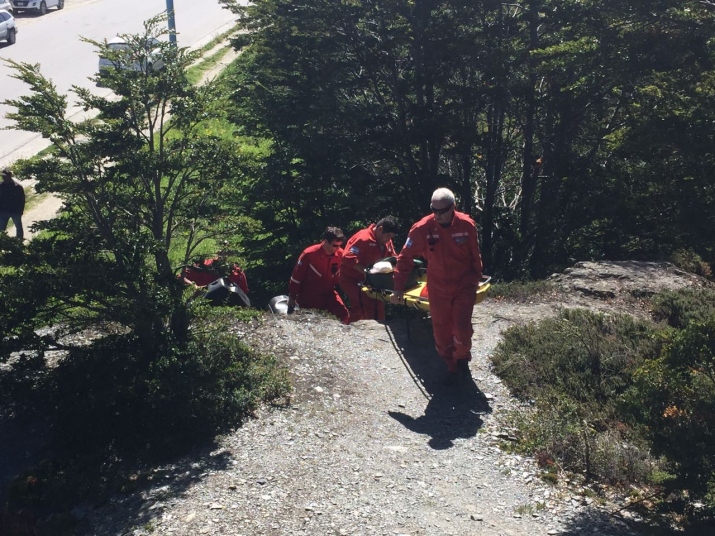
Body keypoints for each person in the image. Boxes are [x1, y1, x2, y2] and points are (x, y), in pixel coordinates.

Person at [391, 188, 483, 375]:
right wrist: (398, 287)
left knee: (462, 328)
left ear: (453, 207)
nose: (438, 215)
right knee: (441, 331)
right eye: (434, 210)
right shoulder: (422, 229)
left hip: (463, 284)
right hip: (438, 286)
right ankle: (450, 366)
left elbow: (475, 255)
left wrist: (475, 279)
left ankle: (462, 359)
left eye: (443, 211)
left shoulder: (467, 225)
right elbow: (405, 257)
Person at [340, 216, 398, 322]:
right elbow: (347, 258)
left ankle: (379, 332)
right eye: (388, 236)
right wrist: (367, 272)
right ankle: (353, 331)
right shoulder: (363, 238)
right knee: (364, 304)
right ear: (380, 229)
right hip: (352, 280)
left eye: (391, 237)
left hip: (371, 281)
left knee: (378, 305)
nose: (389, 239)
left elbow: (392, 256)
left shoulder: (386, 242)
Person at [288, 227, 349, 324]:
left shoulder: (340, 254)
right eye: (335, 246)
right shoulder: (309, 254)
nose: (338, 248)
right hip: (309, 295)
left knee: (344, 316)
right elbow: (296, 278)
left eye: (340, 245)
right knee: (311, 321)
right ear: (325, 242)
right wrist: (292, 298)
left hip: (329, 293)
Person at [181, 246, 249, 295]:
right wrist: (195, 287)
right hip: (202, 301)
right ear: (218, 252)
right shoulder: (205, 264)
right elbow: (182, 276)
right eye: (223, 252)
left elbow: (243, 295)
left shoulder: (238, 273)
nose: (225, 255)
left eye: (228, 252)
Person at [0, 168, 26, 241]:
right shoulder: (0, 186)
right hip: (3, 211)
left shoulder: (17, 187)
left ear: (10, 176)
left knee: (19, 227)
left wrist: (21, 211)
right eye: (2, 176)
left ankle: (19, 242)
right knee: (1, 229)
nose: (3, 177)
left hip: (15, 211)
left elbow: (22, 200)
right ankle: (2, 242)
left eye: (5, 176)